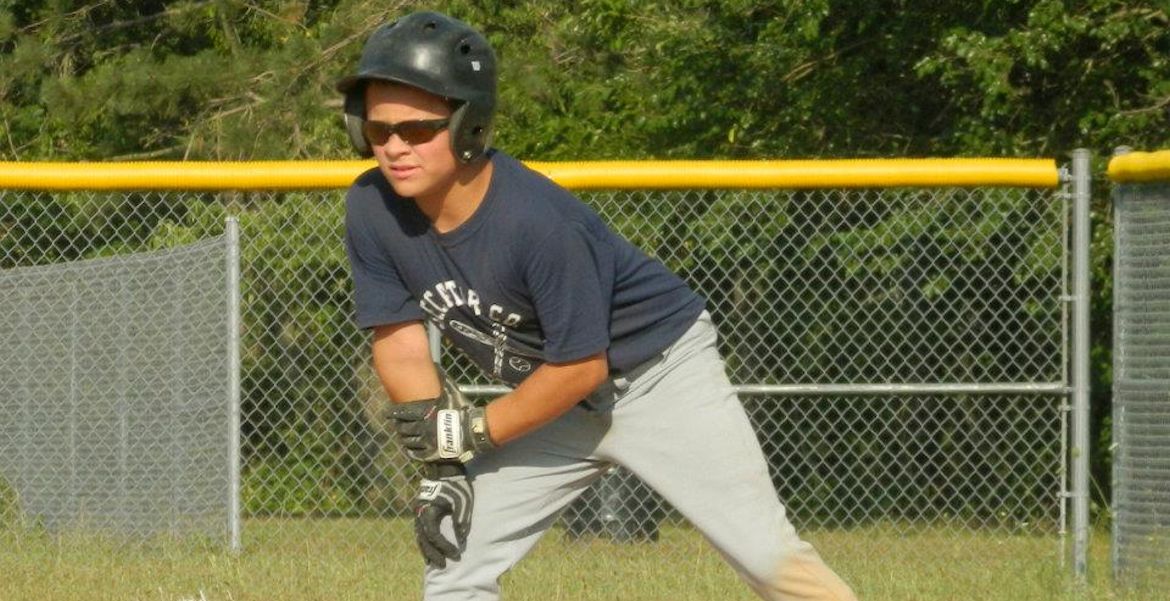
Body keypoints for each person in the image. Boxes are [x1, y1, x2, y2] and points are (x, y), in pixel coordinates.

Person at [337, 10, 858, 601]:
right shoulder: (373, 207)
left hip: (658, 377)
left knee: (767, 559)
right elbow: (401, 345)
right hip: (551, 398)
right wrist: (442, 463)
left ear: (467, 125)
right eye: (379, 130)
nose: (394, 148)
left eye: (417, 130)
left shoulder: (538, 221)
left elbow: (581, 367)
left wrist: (471, 433)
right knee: (455, 556)